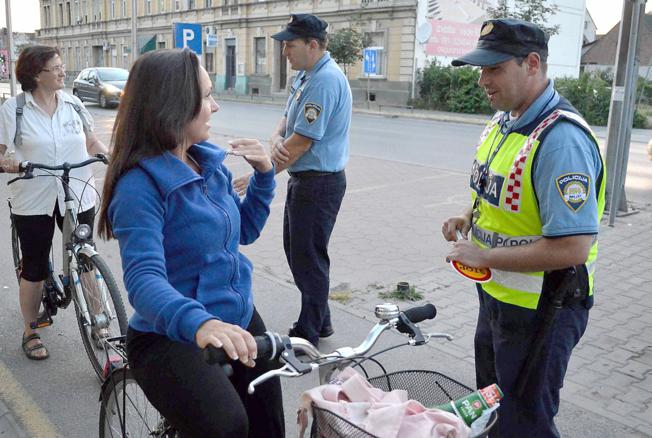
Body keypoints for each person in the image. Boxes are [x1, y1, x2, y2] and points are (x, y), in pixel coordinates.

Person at [97, 48, 284, 438]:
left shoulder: (206, 165)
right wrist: (200, 323)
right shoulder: (139, 187)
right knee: (227, 426)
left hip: (236, 320)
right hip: (171, 334)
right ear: (174, 104)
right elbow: (144, 281)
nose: (215, 107)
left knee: (269, 427)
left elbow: (243, 232)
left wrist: (265, 176)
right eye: (207, 96)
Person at [441, 19, 605, 437]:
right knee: (493, 407)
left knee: (523, 421)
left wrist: (485, 255)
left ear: (532, 63)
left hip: (544, 309)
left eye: (493, 68)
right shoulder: (505, 121)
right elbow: (502, 190)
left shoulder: (562, 140)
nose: (482, 80)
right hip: (499, 296)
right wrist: (469, 216)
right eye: (481, 69)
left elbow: (572, 248)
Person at [234, 14, 352, 347]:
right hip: (307, 181)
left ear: (312, 45)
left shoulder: (325, 80)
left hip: (319, 183)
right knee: (297, 251)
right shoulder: (306, 76)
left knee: (308, 257)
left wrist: (262, 171)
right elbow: (288, 120)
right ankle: (321, 318)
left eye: (290, 45)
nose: (285, 51)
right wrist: (274, 136)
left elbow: (301, 142)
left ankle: (309, 331)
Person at [0, 45, 107, 361]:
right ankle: (30, 330)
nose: (63, 71)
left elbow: (91, 140)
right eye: (56, 67)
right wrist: (13, 164)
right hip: (34, 196)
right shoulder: (13, 109)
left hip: (77, 189)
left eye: (62, 66)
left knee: (86, 255)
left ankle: (100, 322)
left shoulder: (73, 103)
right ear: (36, 74)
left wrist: (107, 154)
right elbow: (1, 152)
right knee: (34, 265)